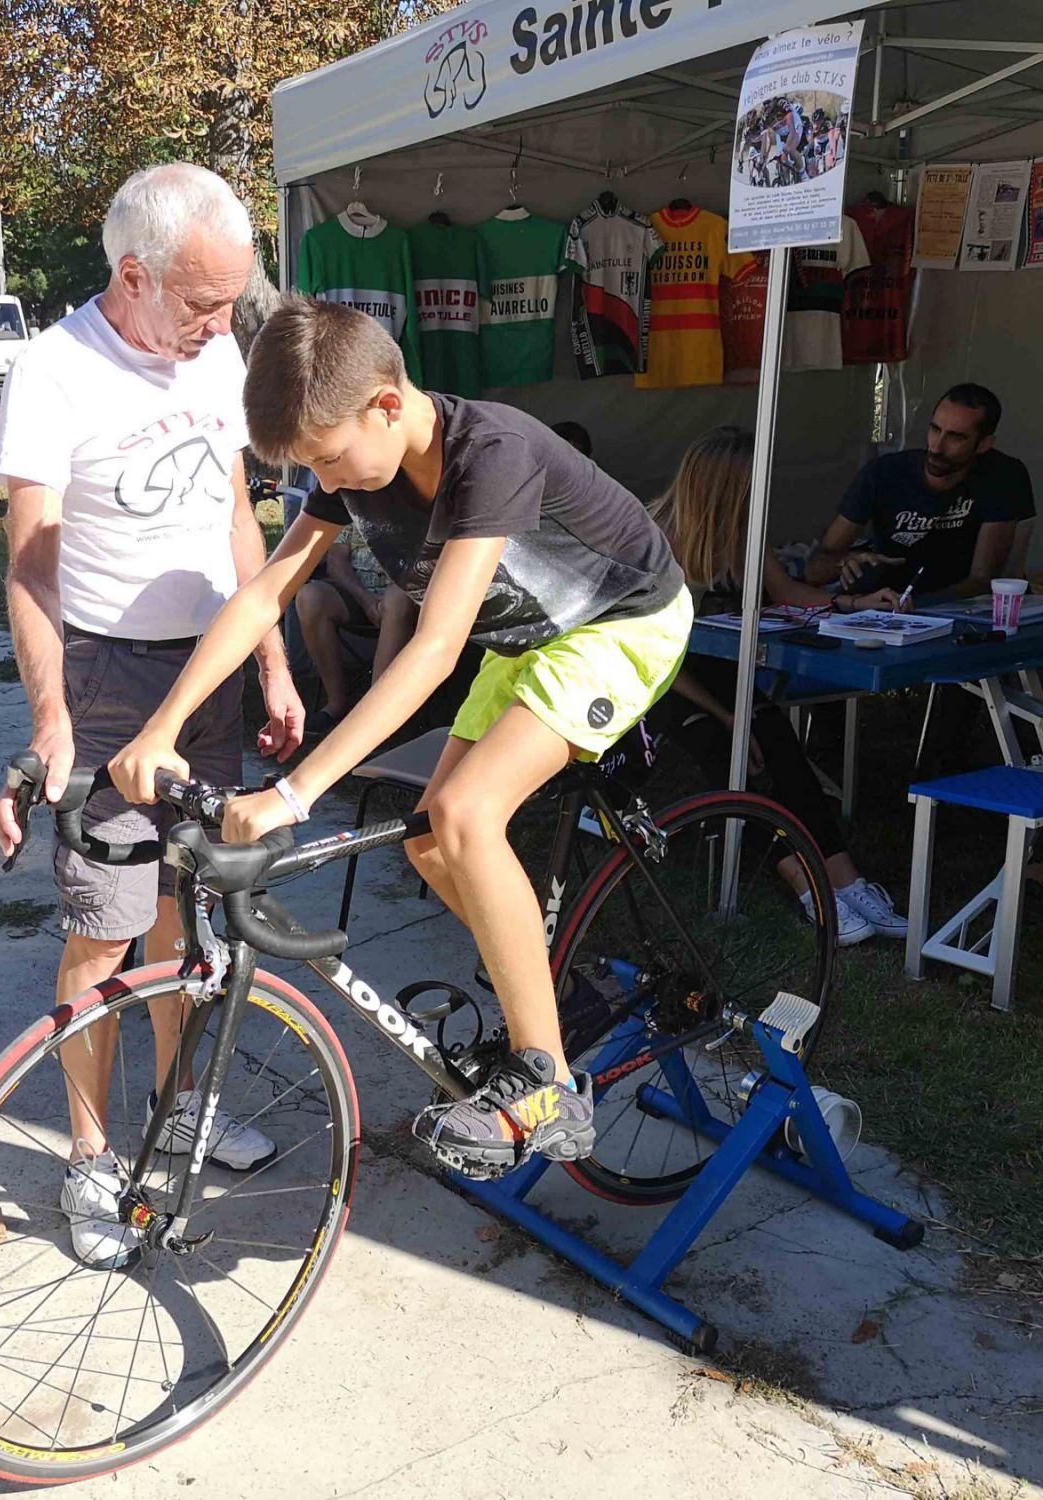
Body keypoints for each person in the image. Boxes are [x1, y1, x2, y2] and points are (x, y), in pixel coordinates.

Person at [111, 296, 693, 1180]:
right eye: (311, 467)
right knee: (428, 842)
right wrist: (162, 728)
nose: (327, 481)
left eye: (328, 459)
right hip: (531, 640)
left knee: (464, 814)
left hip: (621, 623)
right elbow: (265, 594)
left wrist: (294, 793)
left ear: (387, 404)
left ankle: (548, 1086)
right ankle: (550, 996)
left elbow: (434, 649)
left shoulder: (489, 452)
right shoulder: (354, 456)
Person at [0, 163, 306, 1269]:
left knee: (186, 917)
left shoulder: (215, 354)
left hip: (208, 669)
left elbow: (234, 515)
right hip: (109, 680)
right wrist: (53, 718)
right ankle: (89, 1156)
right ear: (135, 276)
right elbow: (31, 568)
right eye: (205, 302)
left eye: (229, 301)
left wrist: (271, 660)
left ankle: (181, 1112)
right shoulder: (53, 371)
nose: (223, 324)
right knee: (105, 927)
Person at [640, 426, 909, 944]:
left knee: (780, 742)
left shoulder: (738, 532)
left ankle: (845, 879)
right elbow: (649, 654)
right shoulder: (653, 540)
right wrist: (726, 716)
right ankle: (806, 883)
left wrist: (852, 604)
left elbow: (786, 592)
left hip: (714, 670)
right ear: (724, 489)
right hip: (656, 680)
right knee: (730, 753)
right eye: (752, 488)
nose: (760, 498)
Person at [806, 383, 1033, 601]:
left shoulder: (1002, 475)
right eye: (935, 429)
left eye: (955, 437)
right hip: (882, 602)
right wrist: (844, 562)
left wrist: (917, 607)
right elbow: (814, 570)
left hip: (955, 608)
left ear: (984, 444)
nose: (937, 446)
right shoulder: (884, 473)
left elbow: (983, 580)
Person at [293, 521, 416, 737]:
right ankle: (336, 703)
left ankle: (374, 714)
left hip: (408, 595)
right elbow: (336, 560)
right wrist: (365, 600)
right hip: (359, 593)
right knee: (310, 597)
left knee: (396, 599)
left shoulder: (425, 505)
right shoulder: (353, 504)